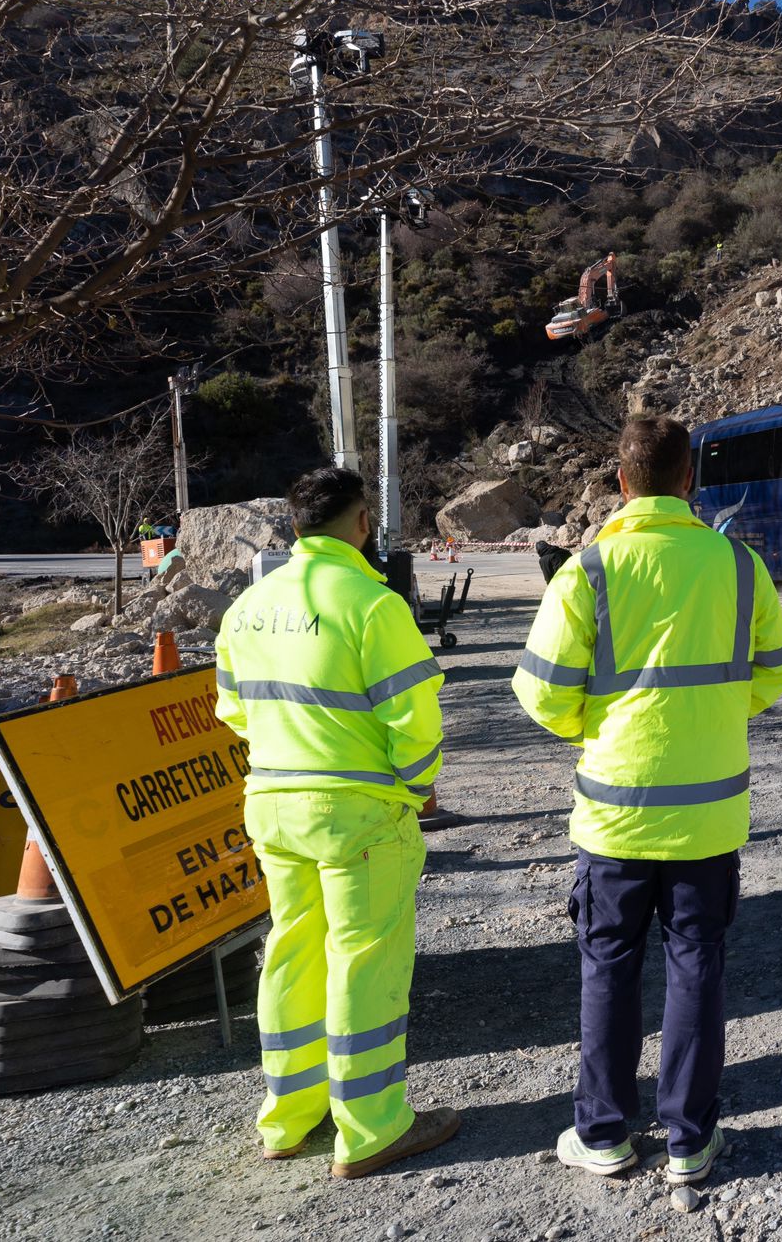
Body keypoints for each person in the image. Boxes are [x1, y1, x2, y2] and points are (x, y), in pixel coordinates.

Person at [513, 416, 782, 1185]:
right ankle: (687, 1140)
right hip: (707, 815)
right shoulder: (738, 566)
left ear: (621, 480)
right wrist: (716, 719)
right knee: (697, 964)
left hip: (614, 810)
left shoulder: (590, 570)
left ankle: (602, 1133)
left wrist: (592, 730)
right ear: (690, 480)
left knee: (608, 964)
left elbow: (539, 693)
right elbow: (775, 671)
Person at [215, 466, 459, 1179]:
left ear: (295, 526)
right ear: (360, 525)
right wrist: (414, 790)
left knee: (293, 954)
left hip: (273, 805)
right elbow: (415, 718)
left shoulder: (248, 608)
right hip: (357, 814)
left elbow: (233, 711)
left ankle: (288, 1119)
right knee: (365, 961)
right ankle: (372, 1128)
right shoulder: (373, 606)